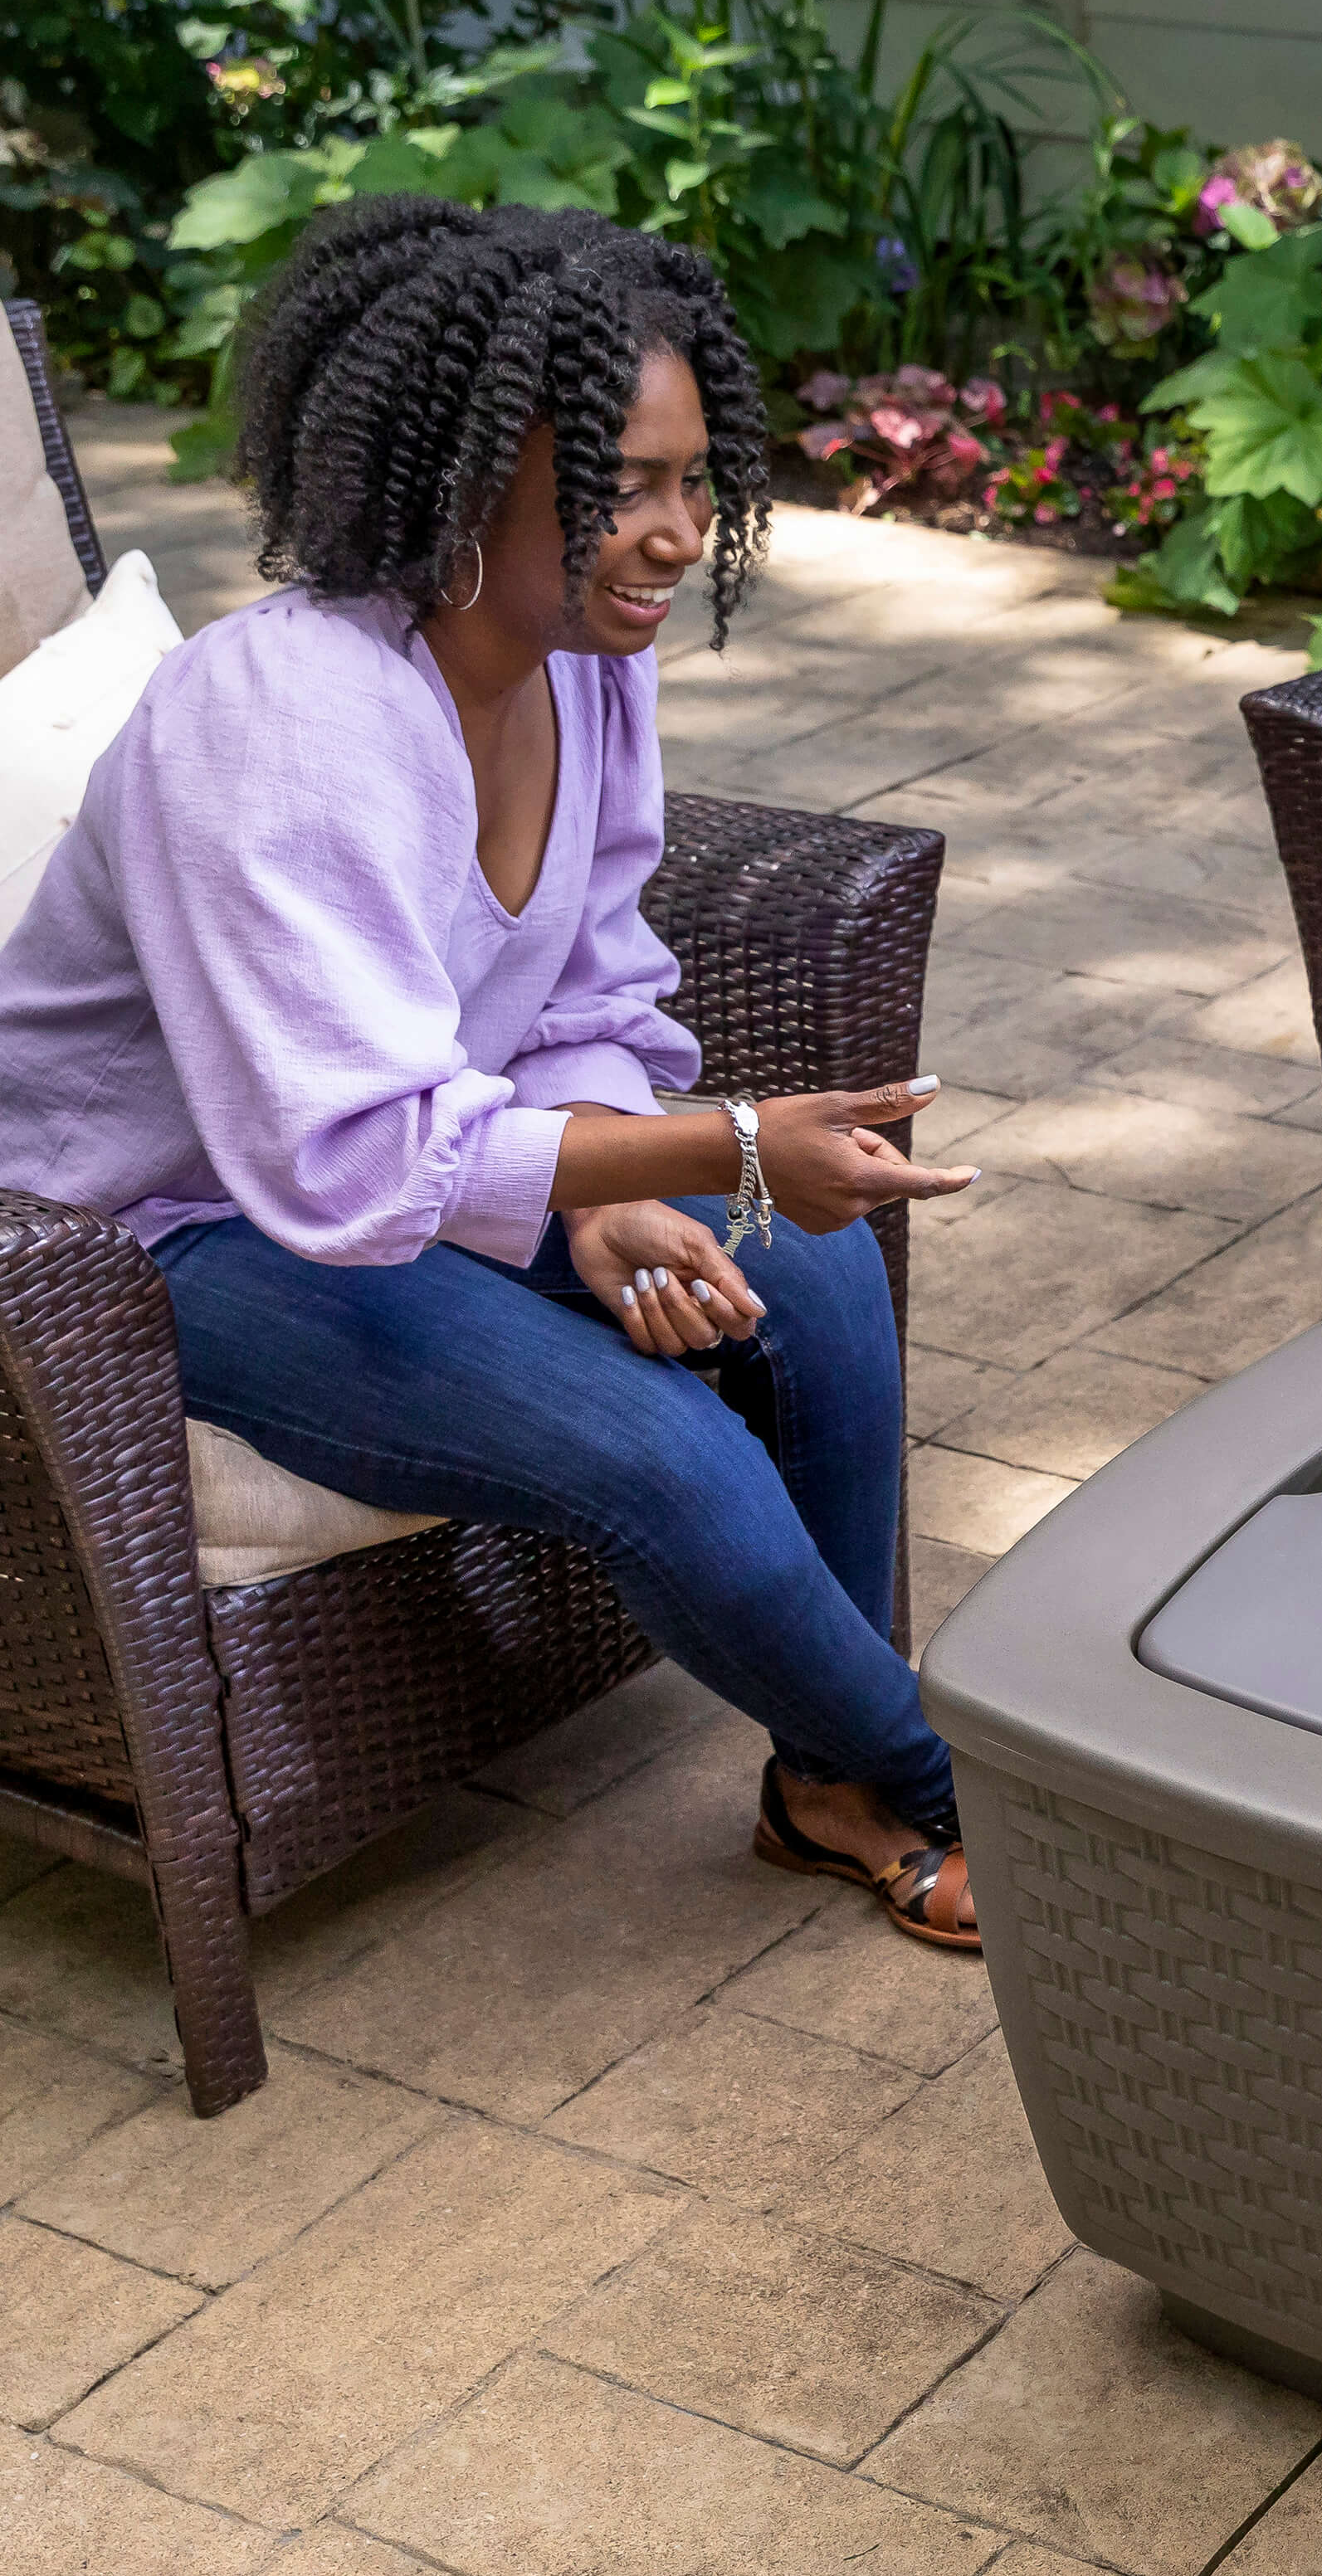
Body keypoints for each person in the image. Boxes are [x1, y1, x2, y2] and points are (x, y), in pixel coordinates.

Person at [0, 197, 990, 1947]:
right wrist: (718, 1143)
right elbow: (342, 1159)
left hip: (390, 1152)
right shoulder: (281, 721)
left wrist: (619, 1181)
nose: (680, 533)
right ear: (461, 474)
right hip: (158, 1237)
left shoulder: (580, 665)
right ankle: (962, 1786)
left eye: (698, 480)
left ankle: (825, 1774)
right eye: (623, 482)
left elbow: (588, 982)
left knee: (815, 1268)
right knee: (663, 1453)